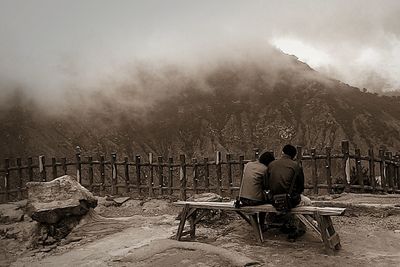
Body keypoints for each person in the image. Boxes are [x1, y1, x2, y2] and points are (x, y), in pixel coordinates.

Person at [267, 144, 311, 240]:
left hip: (273, 200)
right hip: (289, 201)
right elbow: (300, 188)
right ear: (294, 156)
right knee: (307, 201)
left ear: (282, 152)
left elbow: (267, 184)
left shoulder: (271, 164)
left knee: (287, 204)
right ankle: (301, 229)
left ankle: (284, 224)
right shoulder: (296, 166)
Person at [238, 149, 275, 231]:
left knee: (258, 195)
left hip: (242, 198)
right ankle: (262, 224)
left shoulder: (248, 164)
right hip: (254, 200)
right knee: (268, 201)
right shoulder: (265, 169)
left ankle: (256, 224)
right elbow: (266, 186)